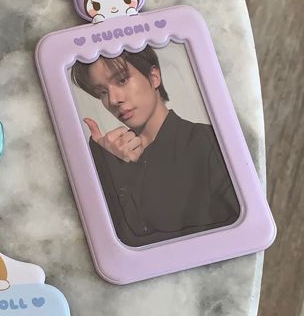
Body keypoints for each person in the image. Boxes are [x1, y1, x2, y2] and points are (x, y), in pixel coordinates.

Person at [72, 46, 240, 247]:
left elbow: (239, 232)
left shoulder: (208, 141)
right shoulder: (105, 156)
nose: (114, 99)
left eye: (122, 80)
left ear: (154, 77)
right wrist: (104, 163)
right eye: (102, 92)